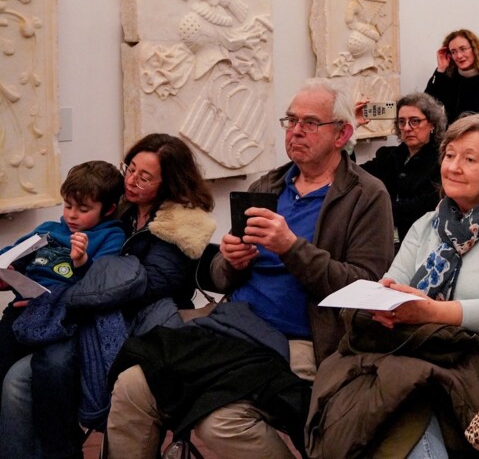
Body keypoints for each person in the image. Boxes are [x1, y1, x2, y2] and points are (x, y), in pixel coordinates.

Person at [107, 80, 394, 458]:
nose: (296, 131)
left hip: (302, 341)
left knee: (220, 421)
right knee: (132, 386)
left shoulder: (366, 195)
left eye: (310, 122)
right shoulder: (269, 185)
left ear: (341, 134)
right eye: (291, 120)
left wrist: (291, 248)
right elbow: (220, 276)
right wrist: (230, 259)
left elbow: (364, 289)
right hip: (236, 324)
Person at [311, 111, 479, 458]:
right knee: (364, 387)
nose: (453, 167)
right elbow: (392, 285)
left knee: (404, 398)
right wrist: (387, 305)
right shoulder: (427, 225)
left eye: (469, 159)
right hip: (425, 352)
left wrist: (428, 312)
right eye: (449, 155)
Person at [3, 135, 217, 458]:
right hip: (86, 312)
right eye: (130, 168)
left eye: (144, 177)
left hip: (132, 327)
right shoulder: (121, 209)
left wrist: (52, 301)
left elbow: (140, 291)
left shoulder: (180, 227)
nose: (130, 180)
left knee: (26, 378)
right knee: (15, 374)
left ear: (169, 182)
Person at [0, 162, 125, 431]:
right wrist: (7, 272)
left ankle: (58, 442)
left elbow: (99, 285)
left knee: (49, 372)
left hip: (62, 318)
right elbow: (12, 256)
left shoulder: (110, 236)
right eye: (68, 206)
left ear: (108, 210)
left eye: (83, 209)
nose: (72, 216)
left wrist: (82, 262)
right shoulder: (47, 229)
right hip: (22, 310)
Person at [356, 92, 446, 242]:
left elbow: (424, 206)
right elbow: (352, 173)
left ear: (432, 124)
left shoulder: (443, 160)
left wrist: (374, 208)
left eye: (415, 121)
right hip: (381, 240)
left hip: (421, 242)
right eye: (401, 122)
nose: (407, 128)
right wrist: (352, 127)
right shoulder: (388, 156)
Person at [425, 28, 479, 123]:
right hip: (453, 132)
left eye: (463, 49)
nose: (459, 56)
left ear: (475, 49)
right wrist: (440, 69)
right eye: (453, 52)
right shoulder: (448, 78)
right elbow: (425, 106)